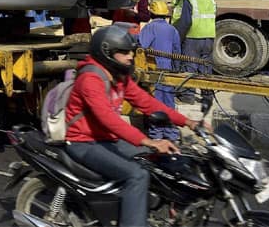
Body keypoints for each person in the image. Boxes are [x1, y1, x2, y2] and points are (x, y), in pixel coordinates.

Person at [65, 24, 205, 227]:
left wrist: (189, 122)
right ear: (107, 53)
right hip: (84, 143)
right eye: (124, 52)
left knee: (162, 160)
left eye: (131, 51)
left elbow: (147, 103)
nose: (131, 56)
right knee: (137, 175)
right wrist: (148, 140)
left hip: (107, 140)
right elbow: (108, 119)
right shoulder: (90, 79)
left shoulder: (119, 76)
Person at [139, 0, 182, 140]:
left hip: (153, 69)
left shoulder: (150, 28)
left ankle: (156, 134)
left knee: (155, 104)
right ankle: (171, 134)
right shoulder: (172, 29)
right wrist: (176, 70)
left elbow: (142, 46)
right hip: (168, 70)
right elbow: (177, 51)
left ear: (151, 13)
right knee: (169, 103)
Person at [173, 0, 216, 103]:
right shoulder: (211, 0)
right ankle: (207, 97)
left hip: (193, 38)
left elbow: (185, 22)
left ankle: (187, 97)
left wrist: (178, 40)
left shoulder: (189, 0)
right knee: (206, 68)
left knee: (189, 66)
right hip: (209, 38)